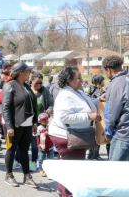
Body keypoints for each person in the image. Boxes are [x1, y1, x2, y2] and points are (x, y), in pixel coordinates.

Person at [49, 66, 101, 197]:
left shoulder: (77, 91)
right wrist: (88, 116)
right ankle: (67, 193)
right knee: (73, 169)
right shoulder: (65, 95)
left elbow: (87, 104)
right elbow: (64, 117)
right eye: (78, 78)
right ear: (69, 80)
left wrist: (99, 99)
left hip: (76, 134)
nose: (82, 80)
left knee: (72, 167)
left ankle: (63, 191)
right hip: (66, 136)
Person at [3, 62, 38, 188]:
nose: (29, 74)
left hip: (27, 124)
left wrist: (34, 122)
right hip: (15, 125)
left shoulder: (27, 86)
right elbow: (5, 108)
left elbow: (33, 105)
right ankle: (9, 175)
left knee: (24, 151)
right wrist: (9, 126)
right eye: (28, 71)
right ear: (21, 73)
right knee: (11, 149)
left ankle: (27, 176)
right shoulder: (9, 86)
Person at [102, 55, 129, 161]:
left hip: (122, 136)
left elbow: (111, 114)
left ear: (108, 70)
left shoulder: (116, 84)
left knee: (114, 174)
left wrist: (108, 133)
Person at [29, 72, 53, 171]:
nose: (39, 85)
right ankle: (29, 161)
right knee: (31, 144)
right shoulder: (27, 90)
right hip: (30, 121)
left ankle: (37, 163)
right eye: (37, 83)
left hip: (42, 123)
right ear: (31, 81)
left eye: (40, 83)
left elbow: (51, 104)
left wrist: (49, 109)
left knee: (40, 144)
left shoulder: (45, 91)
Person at [87, 75, 106, 160]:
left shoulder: (100, 90)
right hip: (94, 116)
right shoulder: (93, 90)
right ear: (99, 82)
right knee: (95, 135)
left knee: (96, 134)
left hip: (98, 116)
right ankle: (93, 154)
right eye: (102, 80)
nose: (104, 82)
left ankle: (94, 154)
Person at [36, 113, 53, 177]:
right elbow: (37, 138)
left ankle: (49, 171)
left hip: (50, 146)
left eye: (46, 120)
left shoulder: (49, 126)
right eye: (44, 120)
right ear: (40, 121)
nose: (46, 121)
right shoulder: (39, 128)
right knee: (41, 159)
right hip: (42, 146)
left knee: (50, 159)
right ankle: (41, 170)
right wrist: (38, 145)